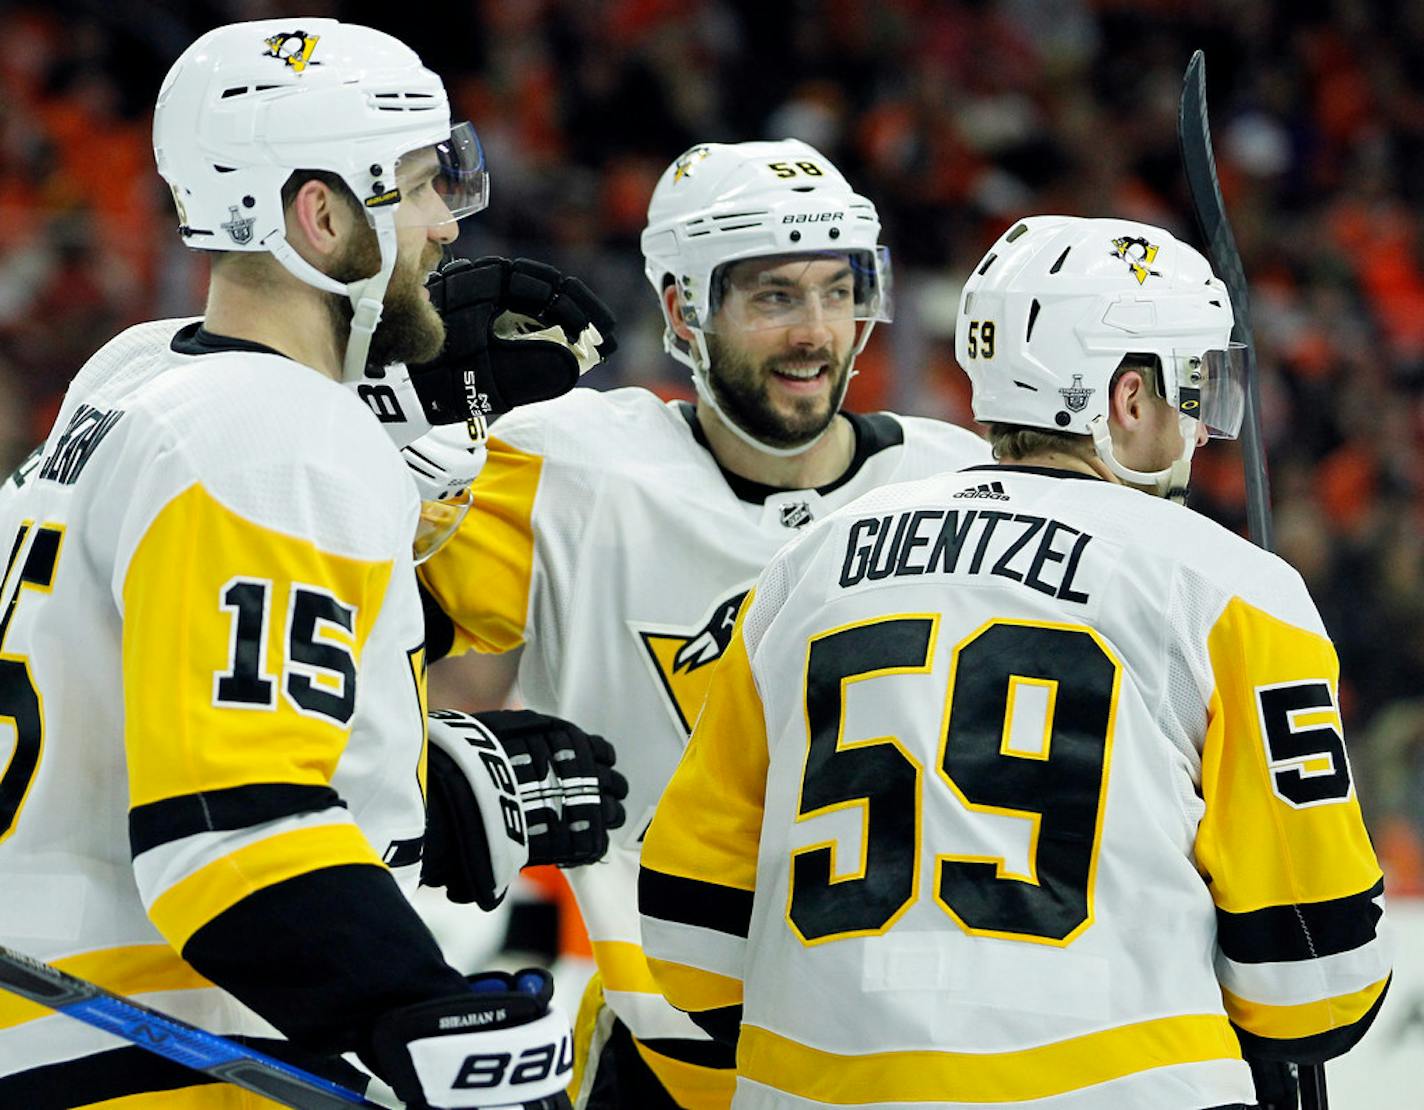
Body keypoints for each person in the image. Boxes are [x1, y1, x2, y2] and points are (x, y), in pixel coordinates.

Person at [0, 19, 622, 1109]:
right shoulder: (271, 428)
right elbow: (227, 824)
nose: (445, 223)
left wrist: (423, 781)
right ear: (320, 212)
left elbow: (166, 695)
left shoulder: (134, 371)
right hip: (151, 1042)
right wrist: (419, 1020)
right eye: (422, 186)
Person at [638, 215, 1391, 1109]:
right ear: (1129, 398)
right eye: (1192, 389)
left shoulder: (803, 569)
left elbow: (689, 938)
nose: (1200, 429)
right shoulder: (1230, 587)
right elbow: (1315, 984)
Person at [414, 139, 991, 1108]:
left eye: (837, 290)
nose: (817, 332)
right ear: (684, 310)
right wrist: (397, 414)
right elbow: (350, 632)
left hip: (928, 1048)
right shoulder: (569, 470)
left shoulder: (962, 485)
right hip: (675, 1051)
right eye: (772, 296)